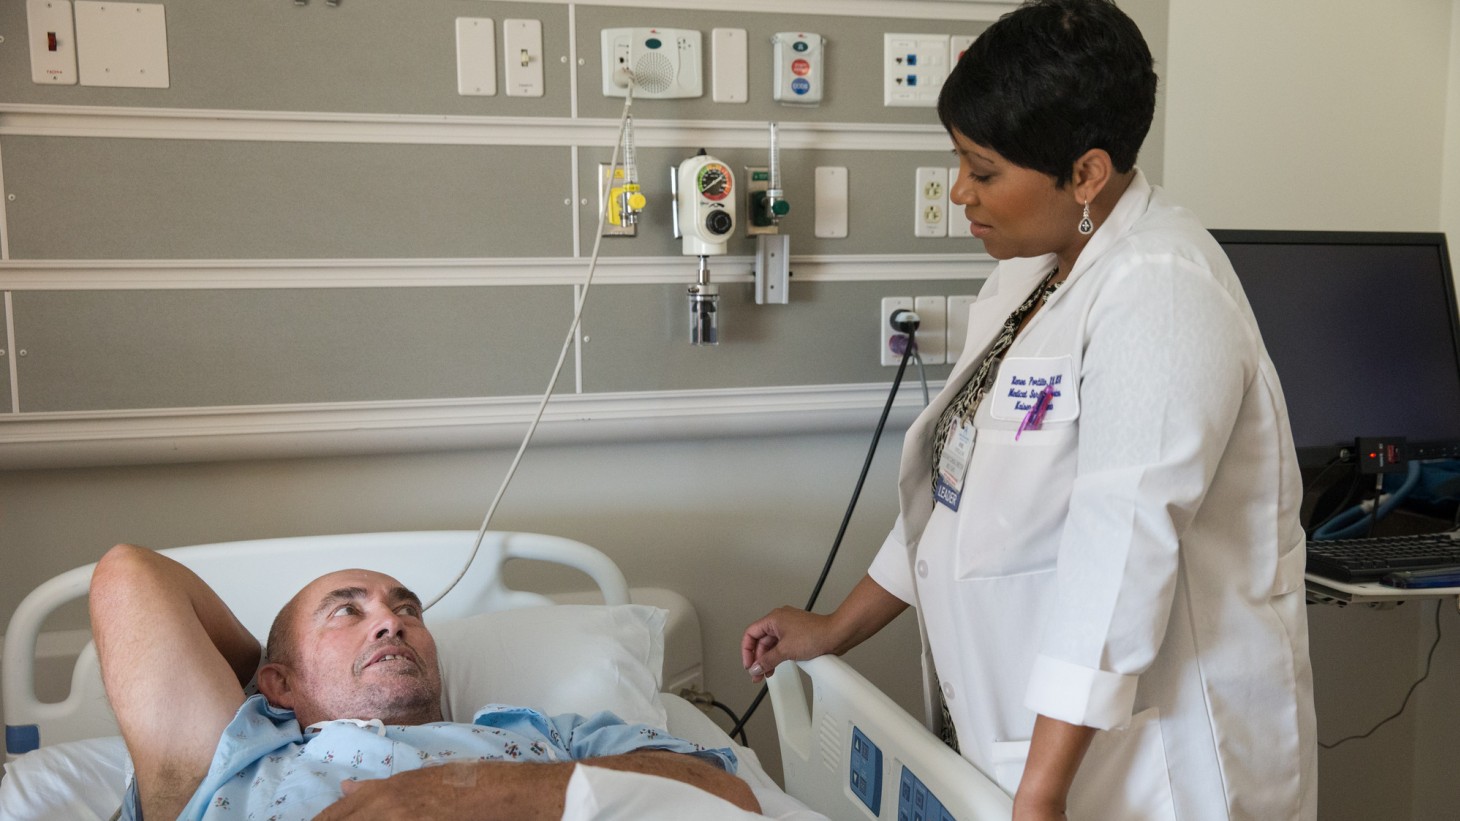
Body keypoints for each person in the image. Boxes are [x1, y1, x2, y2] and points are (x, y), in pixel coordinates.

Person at [741, 1, 1317, 819]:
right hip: (1029, 742)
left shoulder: (1162, 290)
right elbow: (961, 491)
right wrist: (837, 625)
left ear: (1084, 173)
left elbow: (1120, 551)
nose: (958, 191)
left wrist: (1041, 793)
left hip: (1162, 767)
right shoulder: (1029, 276)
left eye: (983, 170)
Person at [90, 543, 760, 820]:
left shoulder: (545, 736)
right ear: (278, 682)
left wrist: (478, 788)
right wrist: (267, 676)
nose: (391, 622)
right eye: (347, 610)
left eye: (406, 608)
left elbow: (727, 796)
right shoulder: (236, 757)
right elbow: (128, 573)